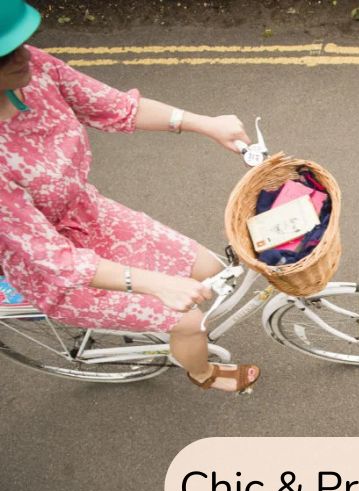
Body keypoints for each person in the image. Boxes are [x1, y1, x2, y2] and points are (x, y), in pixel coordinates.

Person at [0, 0, 260, 393]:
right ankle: (203, 374)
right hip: (52, 267)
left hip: (86, 213)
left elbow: (116, 107)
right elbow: (55, 258)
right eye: (5, 54)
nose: (24, 55)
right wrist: (154, 284)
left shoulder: (35, 69)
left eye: (20, 43)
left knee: (207, 266)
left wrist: (205, 125)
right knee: (189, 321)